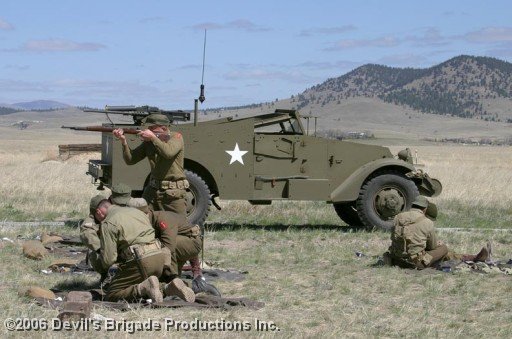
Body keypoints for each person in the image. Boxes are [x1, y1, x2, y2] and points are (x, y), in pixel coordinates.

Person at [88, 196, 195, 302]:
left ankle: (143, 288)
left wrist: (100, 262)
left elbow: (109, 260)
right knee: (150, 286)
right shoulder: (135, 212)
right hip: (159, 257)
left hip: (140, 260)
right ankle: (168, 288)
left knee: (112, 294)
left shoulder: (108, 223)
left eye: (96, 218)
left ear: (98, 212)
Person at [386, 196, 489, 269]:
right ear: (425, 209)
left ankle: (473, 257)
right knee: (443, 249)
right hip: (415, 263)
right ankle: (473, 258)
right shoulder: (427, 222)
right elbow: (432, 247)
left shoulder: (397, 217)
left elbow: (394, 238)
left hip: (396, 260)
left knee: (434, 252)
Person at [112, 114, 188, 214]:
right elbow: (130, 160)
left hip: (172, 193)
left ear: (163, 128)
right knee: (141, 220)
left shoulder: (176, 137)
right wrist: (123, 141)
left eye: (152, 127)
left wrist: (153, 138)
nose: (148, 129)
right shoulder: (149, 142)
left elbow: (168, 153)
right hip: (152, 190)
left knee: (179, 226)